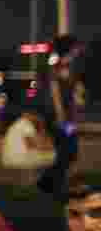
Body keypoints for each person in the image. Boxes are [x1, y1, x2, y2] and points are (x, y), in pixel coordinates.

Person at [37, 34, 87, 197]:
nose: (78, 51)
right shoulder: (56, 67)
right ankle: (48, 183)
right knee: (66, 152)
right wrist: (60, 116)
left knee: (69, 152)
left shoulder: (68, 66)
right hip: (59, 117)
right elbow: (55, 93)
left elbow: (71, 91)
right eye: (75, 47)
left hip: (67, 117)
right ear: (68, 49)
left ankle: (51, 184)